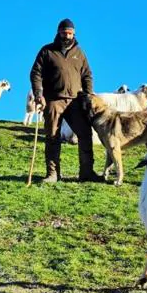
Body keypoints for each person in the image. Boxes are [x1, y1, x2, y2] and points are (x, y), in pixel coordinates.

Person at [29, 18, 103, 183]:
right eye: (64, 33)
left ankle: (87, 172)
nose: (66, 36)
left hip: (75, 101)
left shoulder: (79, 53)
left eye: (69, 33)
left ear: (74, 34)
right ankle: (53, 174)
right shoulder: (47, 51)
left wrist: (89, 95)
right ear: (58, 32)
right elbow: (36, 73)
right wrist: (38, 93)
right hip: (53, 100)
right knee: (52, 136)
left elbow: (87, 75)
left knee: (84, 134)